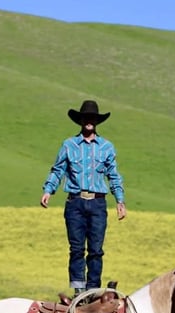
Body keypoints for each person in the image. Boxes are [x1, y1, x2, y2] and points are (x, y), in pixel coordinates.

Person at [40, 100, 127, 296]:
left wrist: (120, 200)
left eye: (92, 118)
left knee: (96, 250)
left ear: (97, 121)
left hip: (97, 203)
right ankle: (79, 291)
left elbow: (113, 175)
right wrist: (48, 190)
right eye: (86, 118)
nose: (89, 121)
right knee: (77, 249)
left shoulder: (106, 147)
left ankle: (93, 290)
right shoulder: (69, 145)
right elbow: (58, 170)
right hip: (75, 202)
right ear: (80, 120)